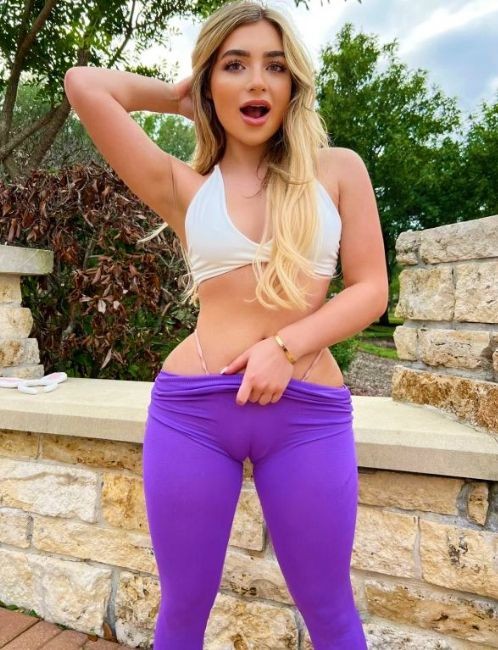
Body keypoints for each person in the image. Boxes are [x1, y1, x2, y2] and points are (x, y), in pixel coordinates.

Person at [64, 1, 387, 647]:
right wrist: (180, 100)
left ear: (294, 83)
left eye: (275, 66)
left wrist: (285, 347)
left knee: (330, 609)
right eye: (234, 66)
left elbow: (371, 289)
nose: (257, 82)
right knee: (184, 609)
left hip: (307, 415)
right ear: (209, 81)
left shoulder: (338, 170)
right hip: (193, 414)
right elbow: (85, 85)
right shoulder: (183, 185)